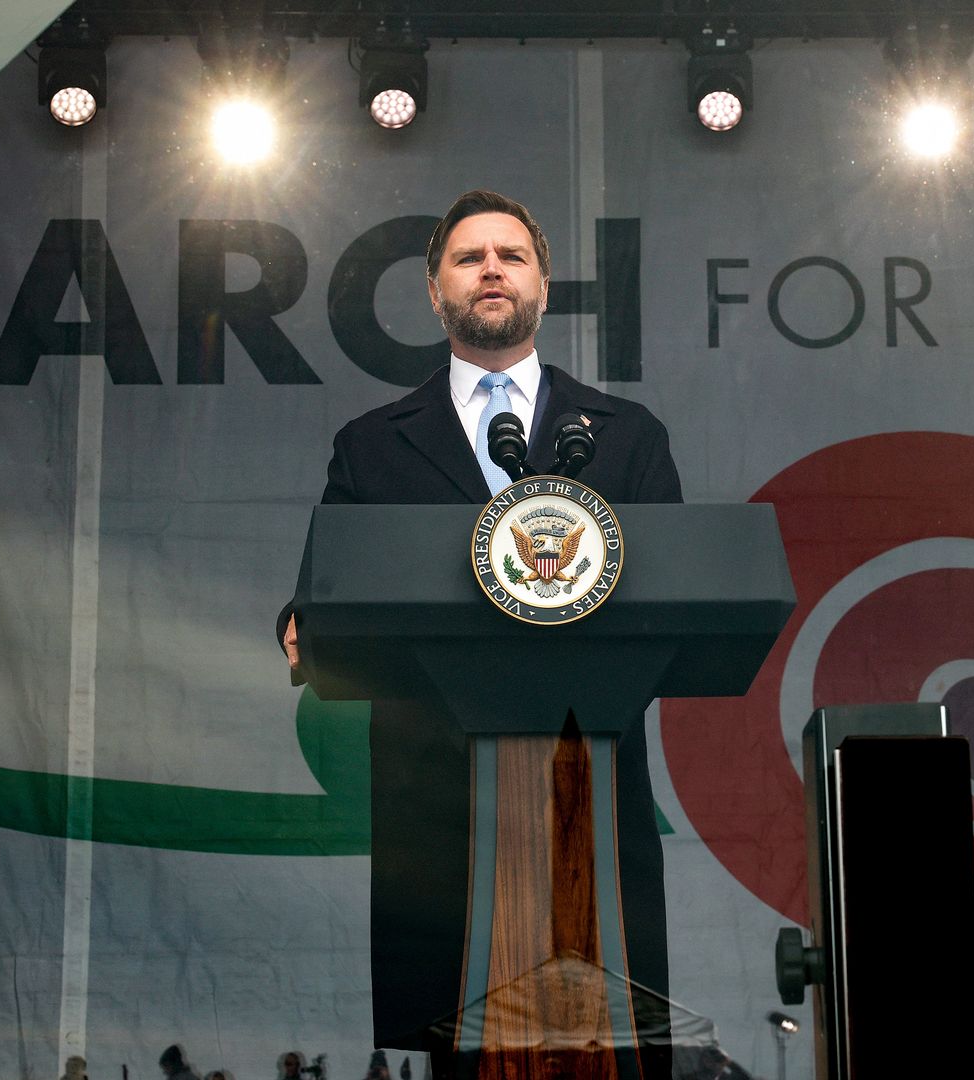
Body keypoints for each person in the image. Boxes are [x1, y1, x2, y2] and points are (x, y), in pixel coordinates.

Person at [276, 190, 679, 1071]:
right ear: (434, 292)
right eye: (469, 258)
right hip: (441, 813)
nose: (491, 269)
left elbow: (679, 593)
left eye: (511, 255)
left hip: (588, 798)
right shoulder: (372, 446)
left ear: (544, 285)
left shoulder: (627, 437)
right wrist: (301, 621)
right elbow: (326, 588)